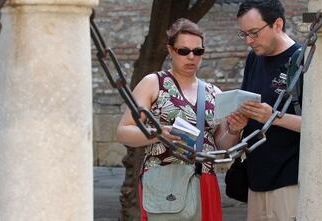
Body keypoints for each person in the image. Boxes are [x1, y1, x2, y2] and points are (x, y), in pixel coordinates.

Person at [116, 18, 247, 221]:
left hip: (204, 179)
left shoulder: (214, 92)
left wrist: (234, 130)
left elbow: (221, 144)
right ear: (170, 50)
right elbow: (124, 131)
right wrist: (157, 134)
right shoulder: (153, 83)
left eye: (198, 52)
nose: (191, 57)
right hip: (163, 179)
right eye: (183, 51)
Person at [234, 1, 303, 221]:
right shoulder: (254, 58)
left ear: (278, 24)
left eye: (254, 33)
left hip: (290, 181)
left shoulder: (303, 61)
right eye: (243, 34)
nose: (248, 41)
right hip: (256, 180)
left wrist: (273, 117)